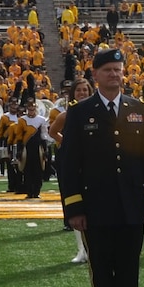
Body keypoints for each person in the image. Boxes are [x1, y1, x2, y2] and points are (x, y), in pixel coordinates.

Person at [56, 47, 144, 287]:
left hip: (132, 207)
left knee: (129, 274)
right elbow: (69, 165)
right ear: (95, 75)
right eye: (107, 70)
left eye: (117, 69)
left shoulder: (138, 109)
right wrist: (74, 208)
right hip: (96, 209)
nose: (114, 75)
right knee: (102, 275)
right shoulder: (79, 112)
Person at [50, 76, 95, 265]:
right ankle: (80, 249)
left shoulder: (97, 111)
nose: (82, 93)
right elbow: (53, 131)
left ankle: (93, 248)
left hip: (95, 165)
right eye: (79, 90)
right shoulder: (67, 114)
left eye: (85, 90)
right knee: (77, 206)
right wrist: (67, 144)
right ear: (72, 94)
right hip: (75, 165)